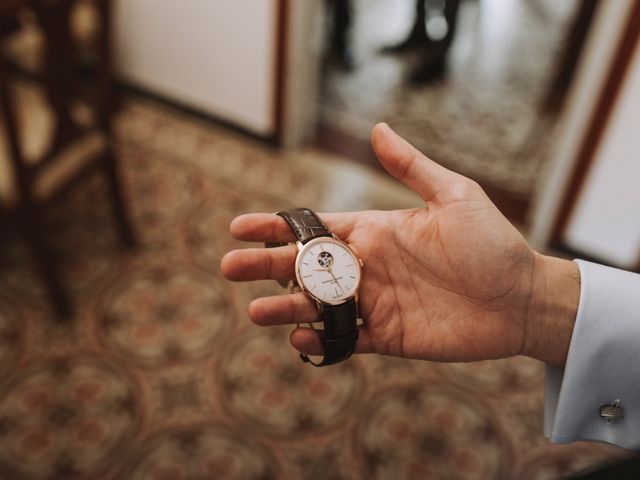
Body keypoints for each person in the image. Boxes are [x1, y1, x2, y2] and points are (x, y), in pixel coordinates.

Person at [221, 123, 640, 452]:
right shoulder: (337, 267)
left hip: (342, 291)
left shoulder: (344, 270)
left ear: (355, 261)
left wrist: (529, 295)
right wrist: (534, 298)